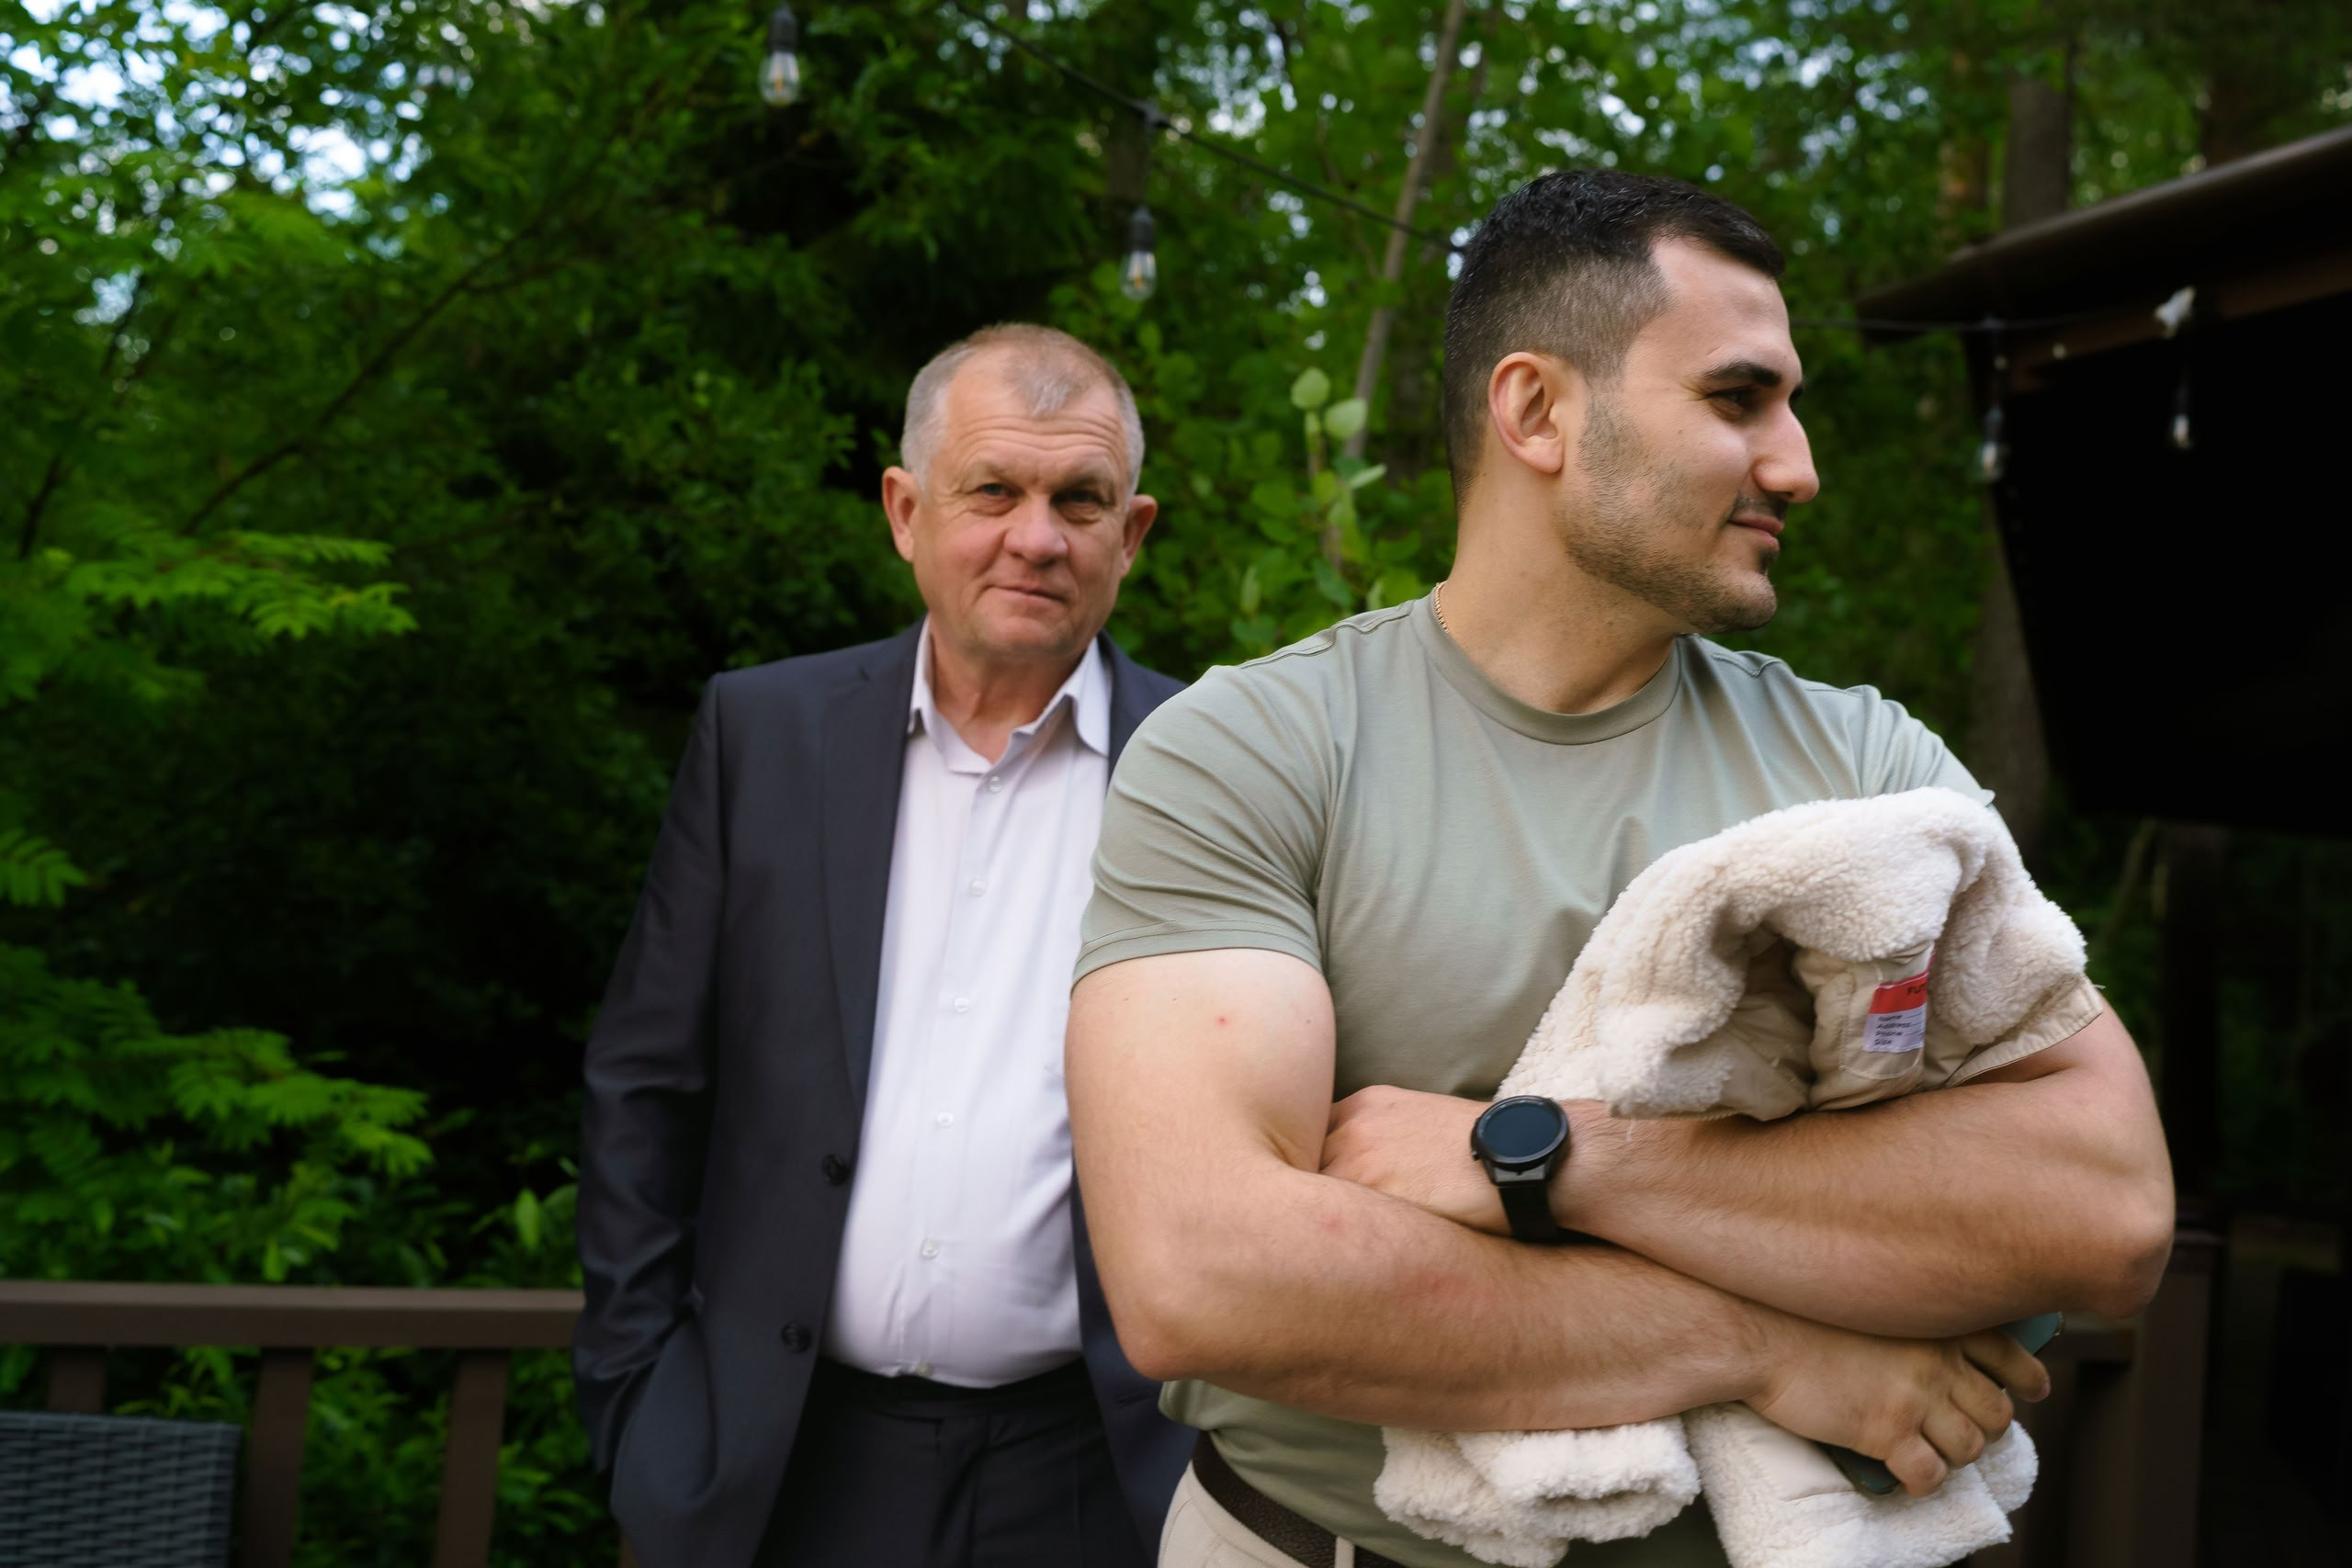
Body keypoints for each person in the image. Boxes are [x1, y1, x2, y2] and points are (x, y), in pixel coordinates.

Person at [1065, 170, 2176, 1568]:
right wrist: (1763, 1345)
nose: (1798, 464)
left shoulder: (1874, 771)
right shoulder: (1260, 750)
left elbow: (2105, 1207)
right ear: (1537, 411)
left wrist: (1551, 1164)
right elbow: (1203, 1275)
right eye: (1737, 399)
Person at [574, 322, 1193, 1568]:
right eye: (994, 492)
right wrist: (641, 1405)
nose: (1037, 535)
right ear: (906, 512)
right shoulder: (763, 734)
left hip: (1095, 1474)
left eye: (1081, 500)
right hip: (782, 1458)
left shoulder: (1212, 767)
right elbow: (645, 1082)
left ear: (1131, 537)